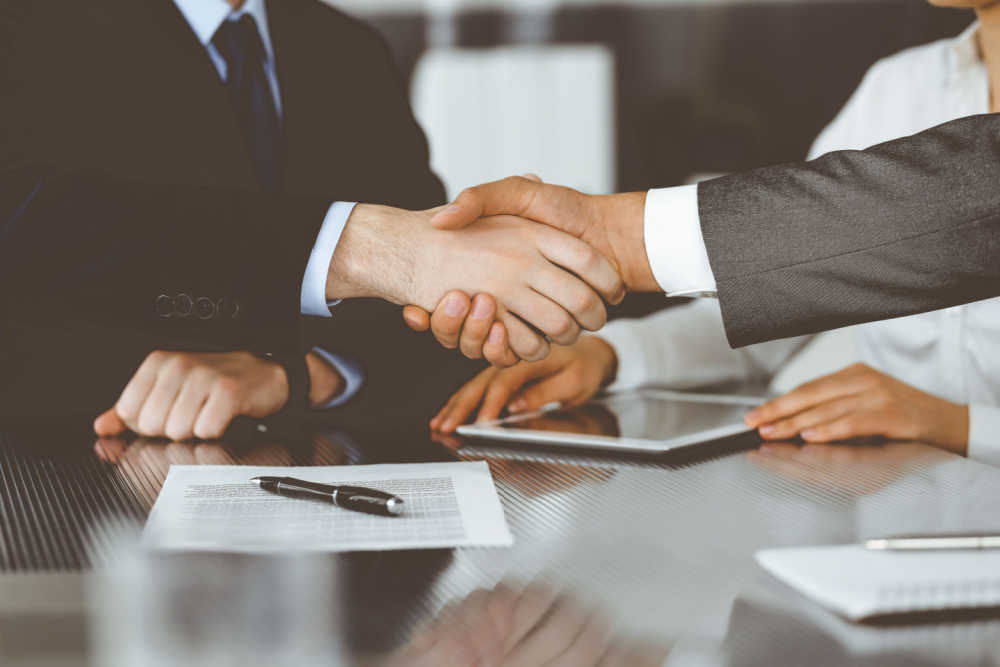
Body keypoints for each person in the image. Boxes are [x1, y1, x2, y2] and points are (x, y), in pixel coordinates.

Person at [0, 0, 622, 439]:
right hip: (75, 502)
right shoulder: (24, 29)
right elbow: (35, 234)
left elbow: (424, 313)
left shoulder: (344, 50)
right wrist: (365, 247)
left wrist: (298, 376)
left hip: (339, 520)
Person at [427, 5, 1000, 465]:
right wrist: (614, 355)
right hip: (891, 527)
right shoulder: (897, 88)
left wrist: (958, 424)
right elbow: (795, 293)